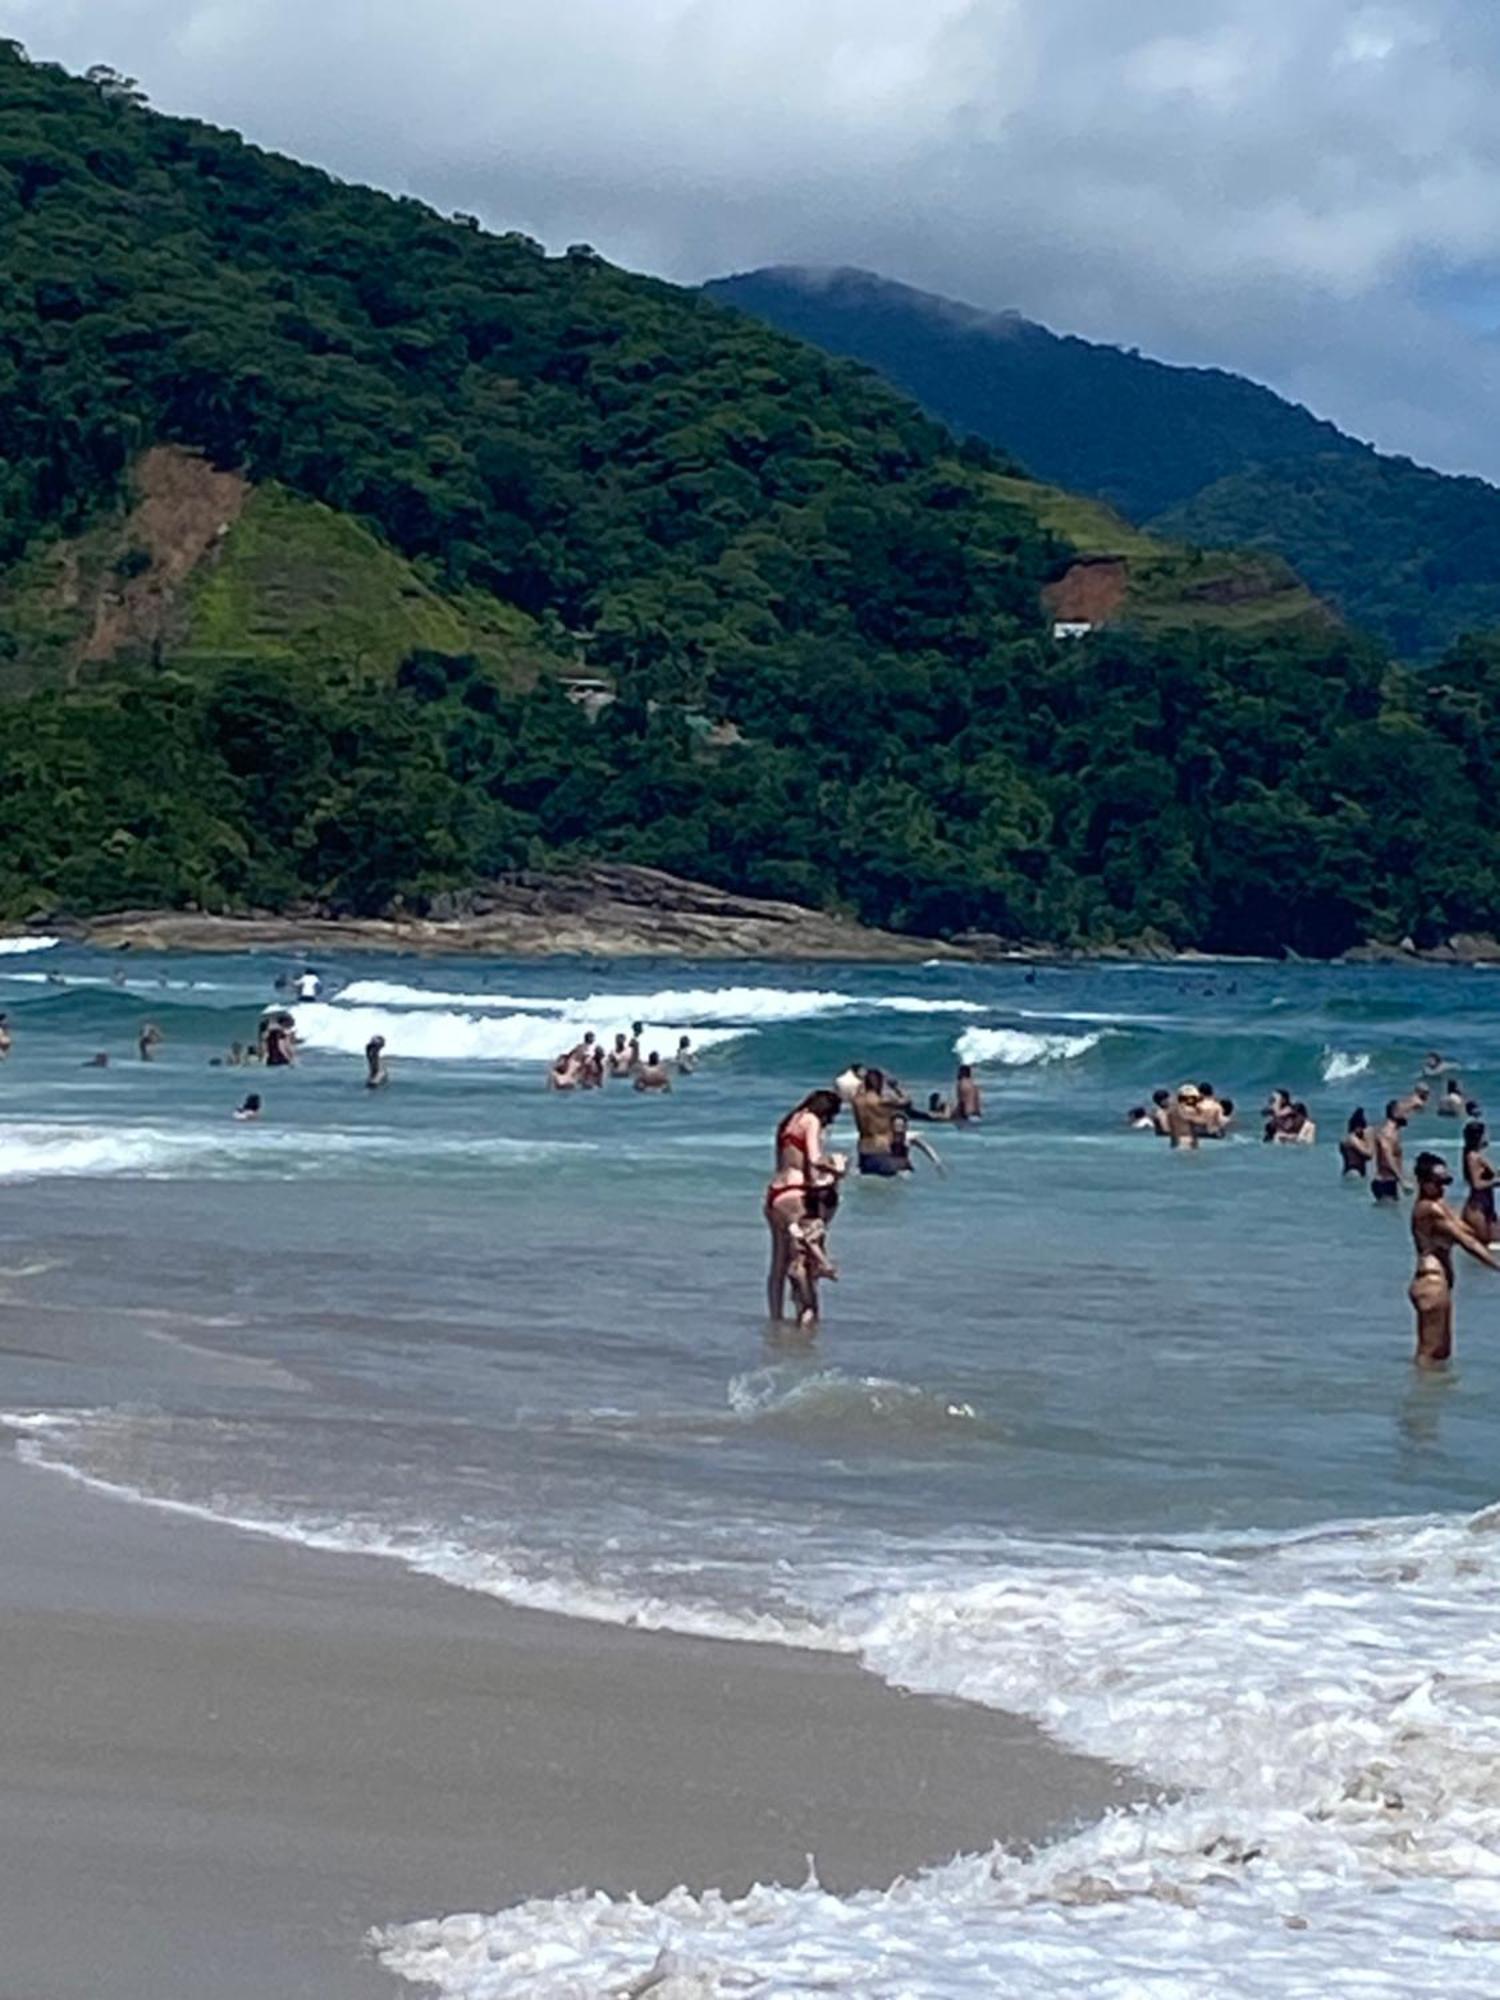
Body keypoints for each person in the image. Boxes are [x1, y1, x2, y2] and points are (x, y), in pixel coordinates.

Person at [1409, 1151, 1500, 1367]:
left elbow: (1469, 1231)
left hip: (1439, 1284)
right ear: (1423, 1182)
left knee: (1442, 1354)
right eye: (1437, 1182)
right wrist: (1497, 1266)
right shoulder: (1429, 1209)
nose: (1442, 1188)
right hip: (1430, 1282)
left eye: (1445, 1182)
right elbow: (1466, 1242)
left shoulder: (1440, 1206)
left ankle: (1434, 1397)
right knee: (1429, 1353)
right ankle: (1419, 1397)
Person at [765, 1089, 845, 1319]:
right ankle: (806, 1317)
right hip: (796, 1192)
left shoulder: (788, 1122)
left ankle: (776, 1318)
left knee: (778, 1264)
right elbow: (813, 1159)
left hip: (776, 1192)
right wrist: (836, 1170)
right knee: (804, 1264)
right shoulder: (811, 1121)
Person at [786, 1185, 840, 1329]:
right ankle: (804, 1340)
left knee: (800, 1307)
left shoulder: (800, 1222)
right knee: (810, 1308)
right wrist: (826, 1264)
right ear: (825, 1209)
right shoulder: (818, 1225)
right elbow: (811, 1242)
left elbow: (798, 1246)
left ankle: (797, 1335)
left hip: (793, 1269)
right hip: (803, 1272)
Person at [853, 1067, 903, 1175]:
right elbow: (907, 1101)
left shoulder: (857, 1101)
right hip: (881, 1148)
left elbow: (858, 1091)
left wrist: (863, 1080)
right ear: (880, 1084)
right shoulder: (883, 1102)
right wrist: (895, 1087)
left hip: (863, 1149)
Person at [1463, 1120, 1499, 1245]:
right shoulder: (1472, 1157)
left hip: (1487, 1205)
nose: (1488, 1136)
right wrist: (1496, 1182)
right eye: (1486, 1134)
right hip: (1477, 1208)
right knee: (1483, 1247)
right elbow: (1476, 1184)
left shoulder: (1478, 1155)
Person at [1372, 1101, 1409, 1203]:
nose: (1407, 1114)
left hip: (1389, 1182)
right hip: (1384, 1183)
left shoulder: (1394, 1132)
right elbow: (1387, 1158)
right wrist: (1402, 1180)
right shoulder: (1388, 1133)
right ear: (1395, 1113)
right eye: (1404, 1111)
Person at [1340, 1109, 1374, 1179]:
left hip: (1349, 1171)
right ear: (1358, 1127)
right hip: (1355, 1172)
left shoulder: (1345, 1139)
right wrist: (1369, 1138)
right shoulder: (1353, 1139)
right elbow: (1369, 1154)